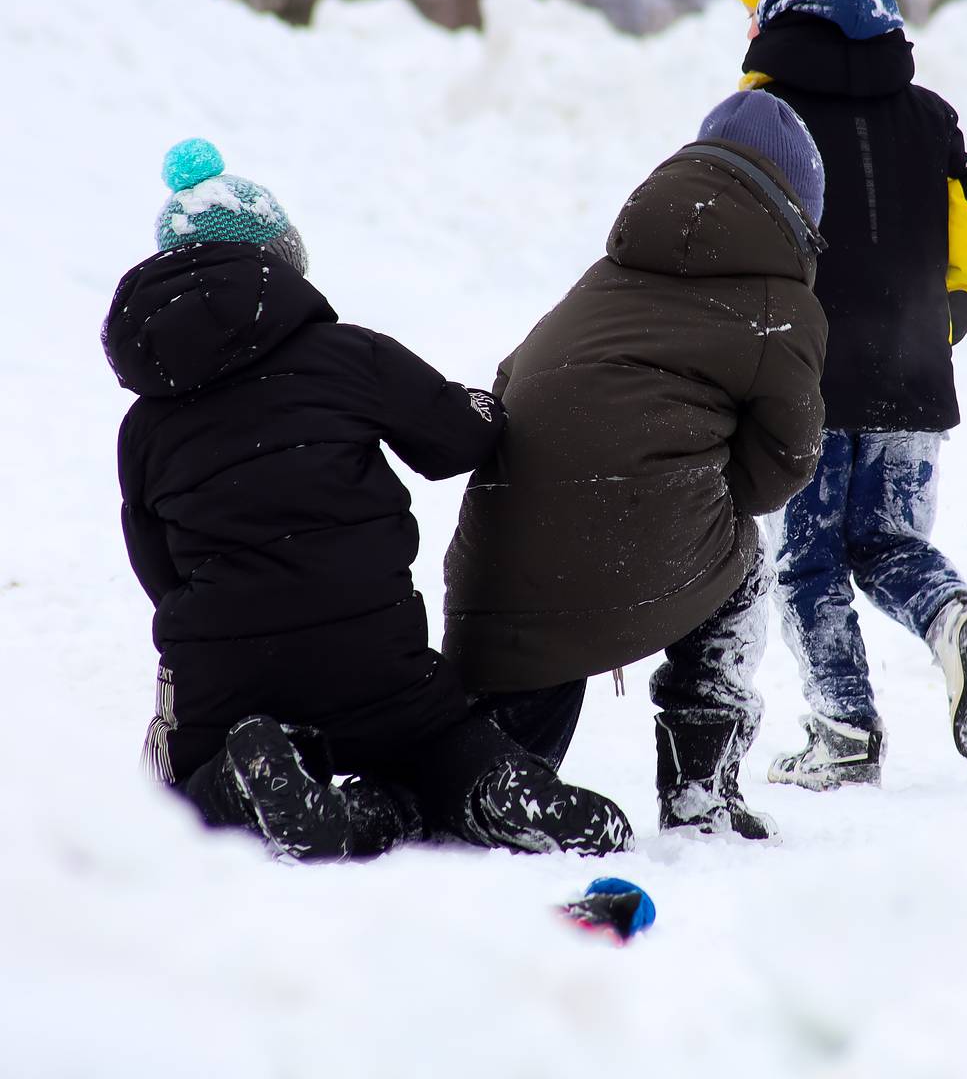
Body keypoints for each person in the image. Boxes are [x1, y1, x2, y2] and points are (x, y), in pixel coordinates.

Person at [103, 138, 633, 861]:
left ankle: (241, 776)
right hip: (372, 661)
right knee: (433, 740)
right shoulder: (349, 356)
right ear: (279, 264)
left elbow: (156, 570)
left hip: (230, 679)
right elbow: (458, 442)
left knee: (176, 793)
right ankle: (494, 783)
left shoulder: (145, 425)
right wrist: (486, 404)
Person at [443, 92, 828, 841]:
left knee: (493, 773)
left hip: (497, 560)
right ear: (800, 215)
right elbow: (781, 467)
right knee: (746, 557)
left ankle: (475, 783)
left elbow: (512, 379)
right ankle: (699, 793)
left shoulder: (606, 276)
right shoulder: (782, 308)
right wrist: (695, 485)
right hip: (629, 552)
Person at [731, 0, 967, 788]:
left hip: (803, 382)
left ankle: (844, 730)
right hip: (913, 382)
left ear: (781, 10)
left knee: (807, 558)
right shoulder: (928, 117)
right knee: (891, 544)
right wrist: (928, 343)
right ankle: (956, 618)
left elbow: (727, 246)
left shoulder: (761, 118)